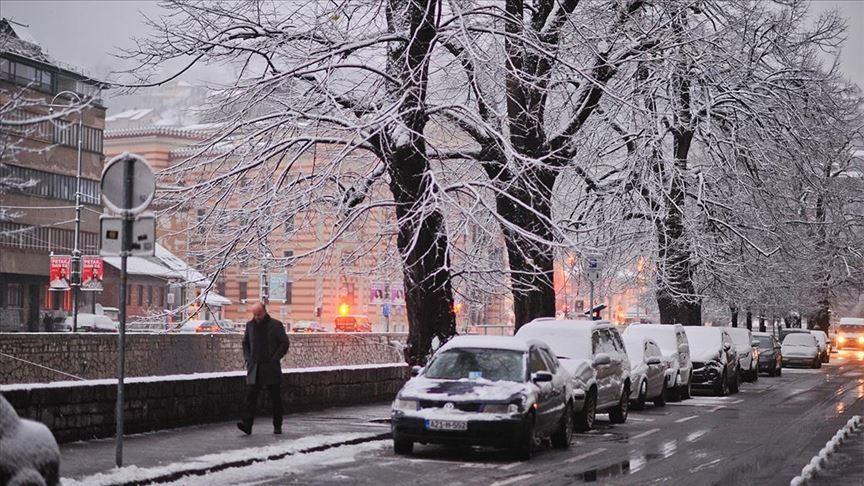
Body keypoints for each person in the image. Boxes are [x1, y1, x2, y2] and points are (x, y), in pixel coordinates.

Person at [237, 302, 290, 435]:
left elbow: (284, 343)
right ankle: (247, 425)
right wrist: (248, 358)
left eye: (258, 314)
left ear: (264, 312)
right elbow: (245, 343)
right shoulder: (250, 326)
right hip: (255, 368)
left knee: (275, 399)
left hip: (271, 367)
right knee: (250, 398)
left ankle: (277, 425)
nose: (256, 317)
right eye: (254, 315)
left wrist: (275, 358)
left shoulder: (276, 325)